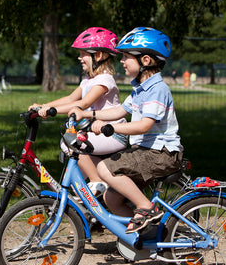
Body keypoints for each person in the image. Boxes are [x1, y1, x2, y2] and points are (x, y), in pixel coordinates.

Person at [69, 27, 183, 233]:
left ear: (145, 61)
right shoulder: (140, 88)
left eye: (126, 57)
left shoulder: (157, 89)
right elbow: (120, 110)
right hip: (146, 151)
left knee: (104, 168)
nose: (121, 61)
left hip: (162, 153)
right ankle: (145, 238)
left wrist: (110, 128)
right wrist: (88, 115)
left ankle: (147, 208)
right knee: (111, 198)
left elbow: (144, 125)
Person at [29, 27, 128, 196]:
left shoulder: (104, 80)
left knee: (69, 142)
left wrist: (52, 111)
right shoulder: (89, 79)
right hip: (96, 134)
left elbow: (83, 103)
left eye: (83, 54)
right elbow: (70, 99)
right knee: (76, 184)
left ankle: (97, 181)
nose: (79, 57)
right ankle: (92, 215)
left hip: (112, 134)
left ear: (98, 56)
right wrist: (44, 106)